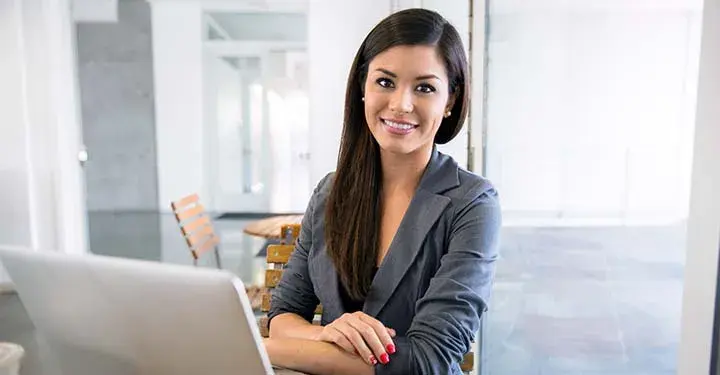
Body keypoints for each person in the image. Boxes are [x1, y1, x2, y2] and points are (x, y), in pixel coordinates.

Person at [263, 8, 501, 375]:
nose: (401, 104)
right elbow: (284, 314)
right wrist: (330, 333)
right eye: (385, 82)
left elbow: (427, 359)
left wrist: (268, 350)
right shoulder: (330, 192)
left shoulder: (472, 203)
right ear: (363, 88)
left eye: (425, 87)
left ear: (450, 101)